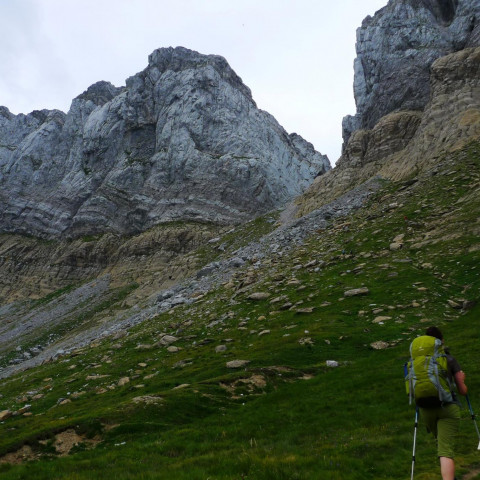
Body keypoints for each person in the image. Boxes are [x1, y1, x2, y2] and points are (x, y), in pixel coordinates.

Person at [418, 326, 468, 480]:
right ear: (441, 341)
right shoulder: (449, 359)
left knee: (440, 444)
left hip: (425, 409)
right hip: (447, 408)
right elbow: (463, 391)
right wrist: (462, 380)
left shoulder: (417, 362)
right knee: (445, 450)